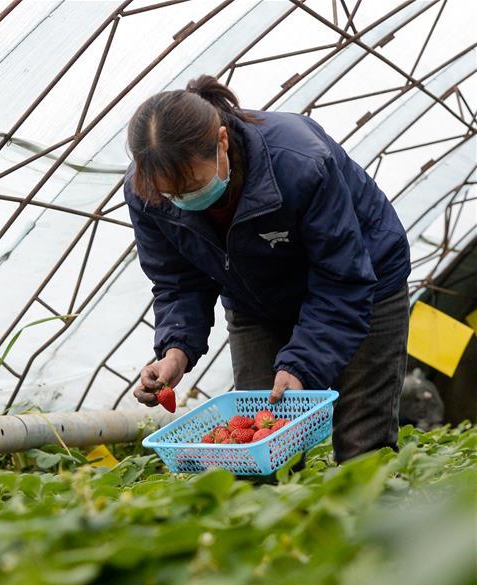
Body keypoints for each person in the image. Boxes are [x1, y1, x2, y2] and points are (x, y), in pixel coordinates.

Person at [123, 74, 411, 463]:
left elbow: (342, 278)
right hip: (254, 300)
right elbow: (178, 281)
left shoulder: (300, 162)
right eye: (170, 192)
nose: (182, 199)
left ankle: (374, 516)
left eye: (190, 184)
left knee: (362, 446)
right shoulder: (147, 192)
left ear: (222, 142)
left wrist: (302, 364)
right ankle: (280, 521)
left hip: (364, 283)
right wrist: (175, 350)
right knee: (258, 449)